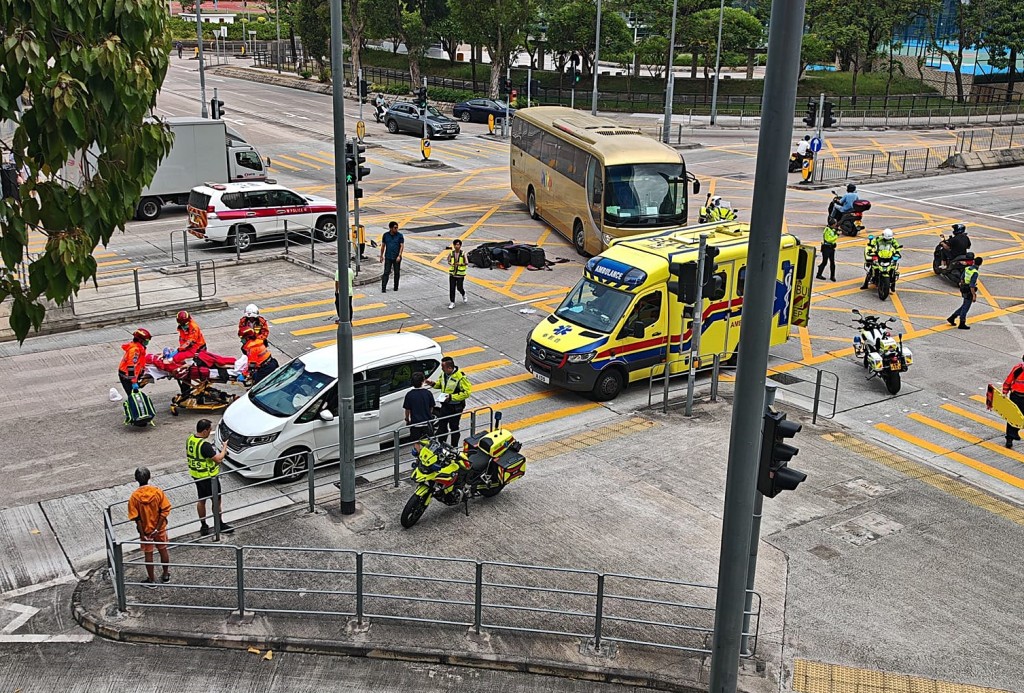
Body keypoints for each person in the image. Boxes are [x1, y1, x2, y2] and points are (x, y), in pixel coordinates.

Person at [187, 419, 233, 536]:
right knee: (216, 501)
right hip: (209, 478)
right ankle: (220, 524)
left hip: (197, 476)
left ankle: (203, 525)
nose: (210, 432)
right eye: (209, 429)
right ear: (205, 430)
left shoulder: (190, 440)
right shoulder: (204, 445)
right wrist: (224, 448)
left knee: (201, 500)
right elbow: (218, 459)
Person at [127, 467, 171, 587]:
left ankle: (151, 580)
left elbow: (136, 518)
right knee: (163, 550)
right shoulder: (157, 492)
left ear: (136, 479)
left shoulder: (134, 497)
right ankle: (166, 575)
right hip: (160, 529)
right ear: (149, 477)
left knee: (148, 555)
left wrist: (143, 534)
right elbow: (164, 510)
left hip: (145, 531)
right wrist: (157, 528)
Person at [426, 357, 472, 447]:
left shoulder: (460, 377)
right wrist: (432, 383)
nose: (442, 369)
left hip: (456, 407)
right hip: (445, 405)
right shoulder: (444, 374)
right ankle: (441, 446)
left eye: (443, 368)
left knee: (454, 427)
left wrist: (451, 397)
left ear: (450, 368)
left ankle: (454, 447)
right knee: (442, 427)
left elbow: (467, 393)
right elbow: (440, 384)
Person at [947, 255, 981, 330]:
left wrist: (962, 286)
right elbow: (972, 285)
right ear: (980, 264)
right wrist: (974, 295)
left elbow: (962, 278)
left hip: (964, 288)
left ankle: (952, 317)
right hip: (969, 290)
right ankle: (962, 323)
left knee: (964, 305)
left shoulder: (967, 269)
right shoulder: (975, 272)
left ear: (974, 262)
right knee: (966, 307)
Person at [403, 371, 436, 440]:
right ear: (423, 381)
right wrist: (429, 414)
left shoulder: (409, 395)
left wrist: (407, 419)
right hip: (427, 422)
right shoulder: (428, 393)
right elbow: (431, 407)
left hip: (415, 423)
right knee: (429, 441)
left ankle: (418, 451)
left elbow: (407, 410)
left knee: (416, 441)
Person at [118, 328, 151, 395]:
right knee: (132, 395)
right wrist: (133, 381)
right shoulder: (134, 350)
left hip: (132, 374)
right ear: (140, 340)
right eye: (146, 340)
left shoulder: (140, 347)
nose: (147, 342)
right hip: (126, 375)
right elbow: (131, 366)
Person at [1002, 356, 1024, 449]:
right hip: (1016, 396)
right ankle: (1010, 438)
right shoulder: (1018, 369)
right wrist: (1004, 392)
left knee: (1016, 417)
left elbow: (1008, 380)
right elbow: (1009, 380)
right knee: (1013, 417)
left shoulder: (1018, 368)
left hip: (1017, 396)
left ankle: (1012, 435)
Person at [380, 221, 404, 293]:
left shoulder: (399, 236)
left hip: (396, 257)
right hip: (388, 256)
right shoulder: (385, 235)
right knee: (386, 272)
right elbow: (383, 246)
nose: (396, 229)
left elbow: (401, 246)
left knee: (397, 272)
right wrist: (381, 255)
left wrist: (399, 255)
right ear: (391, 228)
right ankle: (383, 287)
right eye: (395, 228)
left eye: (397, 228)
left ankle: (396, 286)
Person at [447, 239, 468, 309]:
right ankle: (452, 302)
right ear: (454, 245)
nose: (457, 246)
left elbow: (466, 262)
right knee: (452, 288)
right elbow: (448, 260)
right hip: (452, 274)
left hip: (460, 274)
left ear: (460, 246)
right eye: (456, 245)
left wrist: (460, 264)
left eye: (458, 245)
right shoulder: (451, 253)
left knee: (459, 287)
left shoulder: (463, 253)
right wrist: (451, 263)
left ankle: (463, 293)